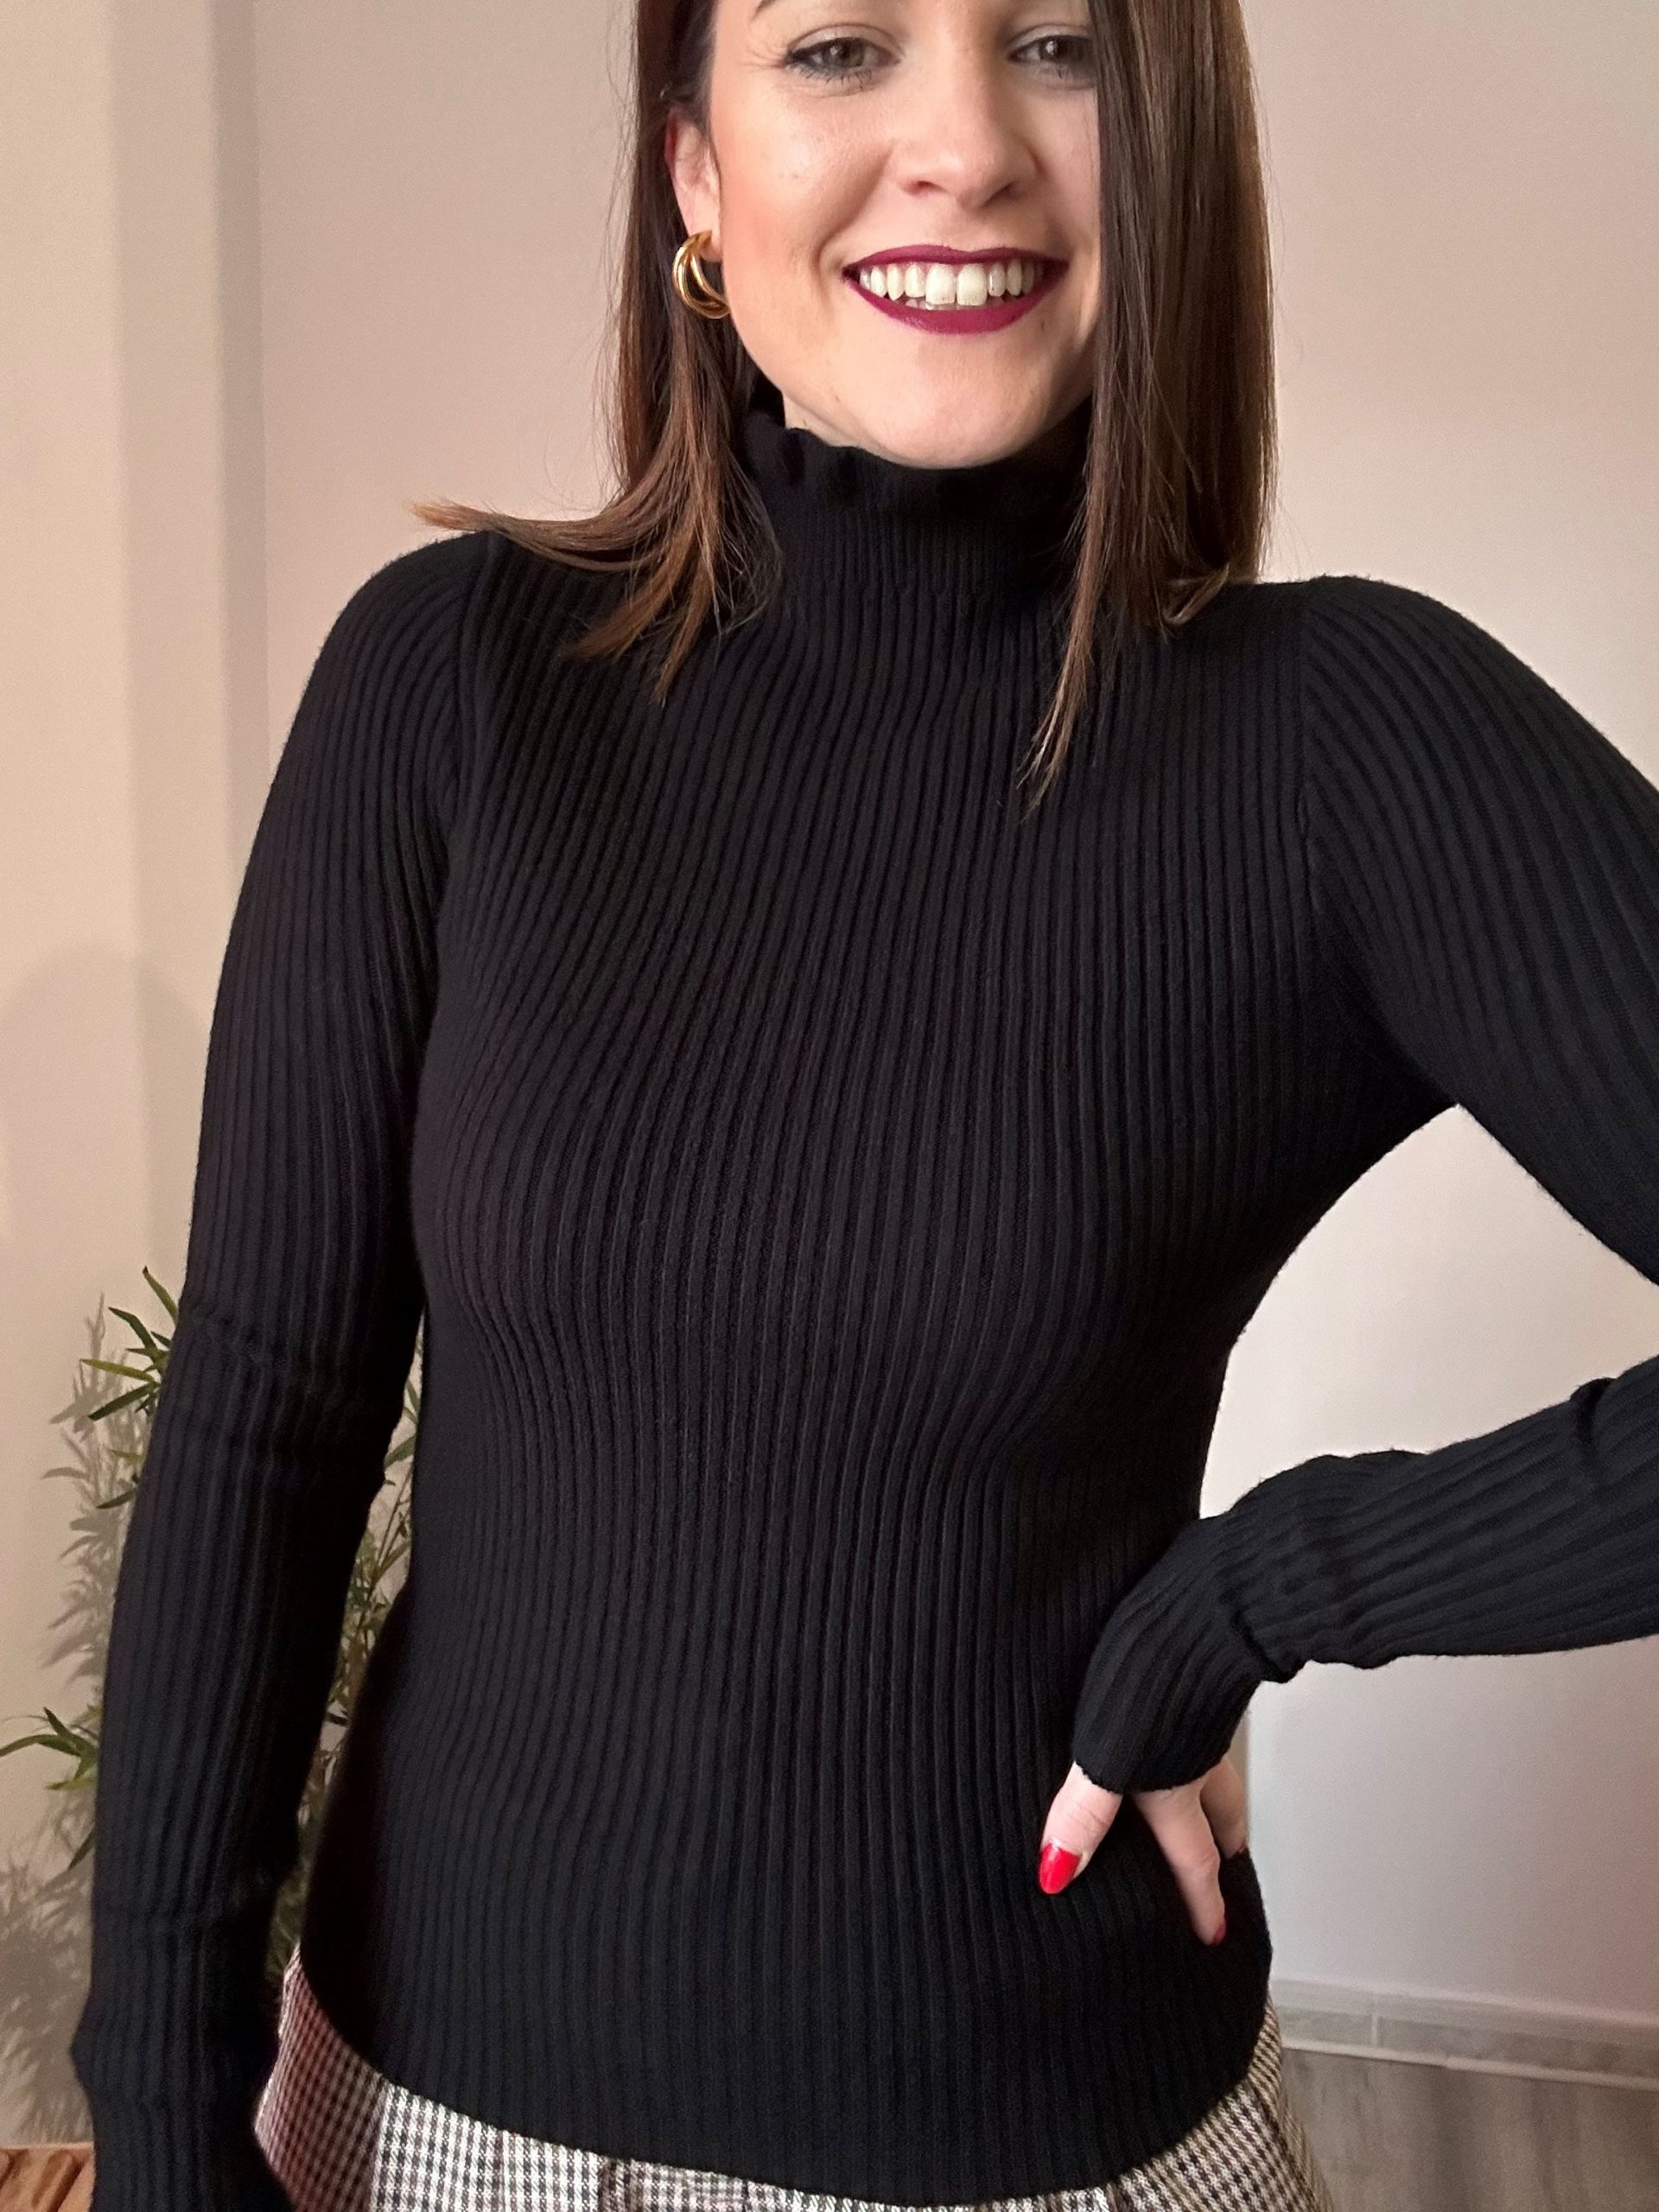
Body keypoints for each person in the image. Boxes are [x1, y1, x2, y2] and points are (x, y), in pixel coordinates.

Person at [68, 0, 1659, 2207]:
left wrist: (1265, 1585)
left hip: (1051, 2152)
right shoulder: (452, 686)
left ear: (1169, 132)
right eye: (839, 47)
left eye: (1058, 43)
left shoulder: (1349, 746)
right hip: (412, 2130)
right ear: (695, 177)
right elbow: (264, 1418)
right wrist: (164, 2124)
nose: (963, 142)